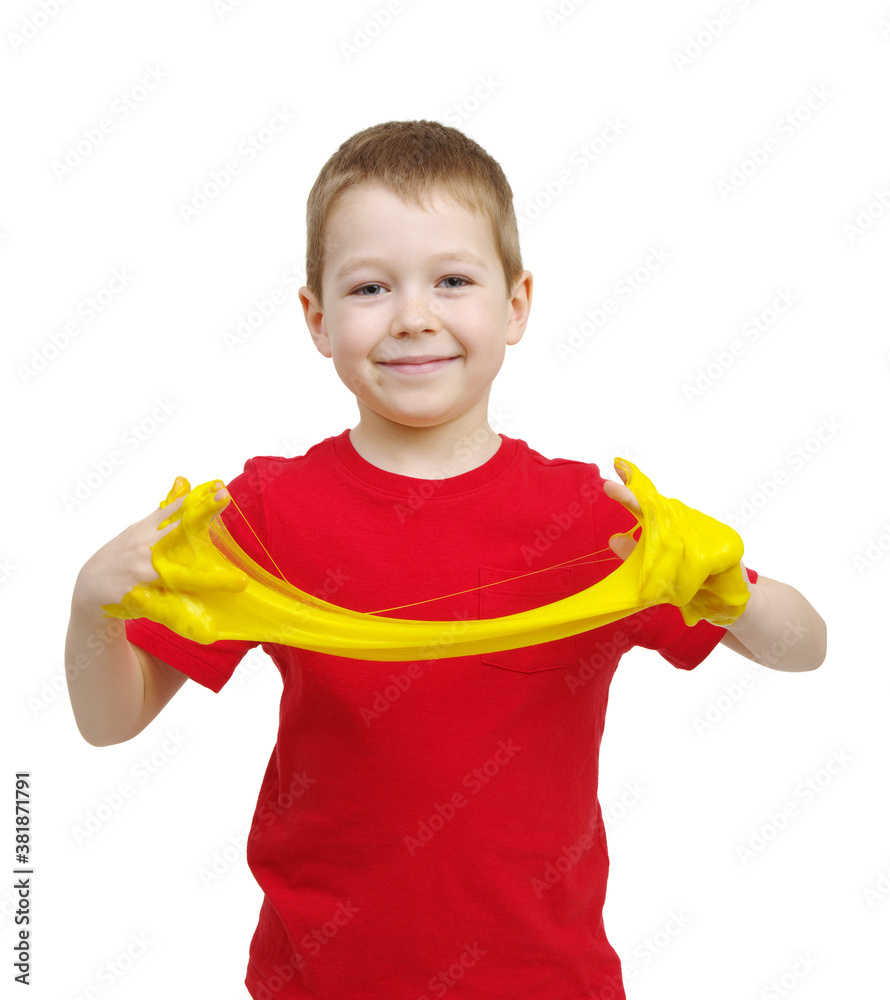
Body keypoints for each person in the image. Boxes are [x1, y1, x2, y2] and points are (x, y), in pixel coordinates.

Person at [65, 120, 826, 1000]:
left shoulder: (599, 523)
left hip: (550, 983)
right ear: (316, 318)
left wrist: (730, 588)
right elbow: (109, 721)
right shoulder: (266, 514)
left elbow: (804, 647)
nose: (414, 315)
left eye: (453, 281)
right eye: (371, 287)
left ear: (516, 306)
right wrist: (92, 609)